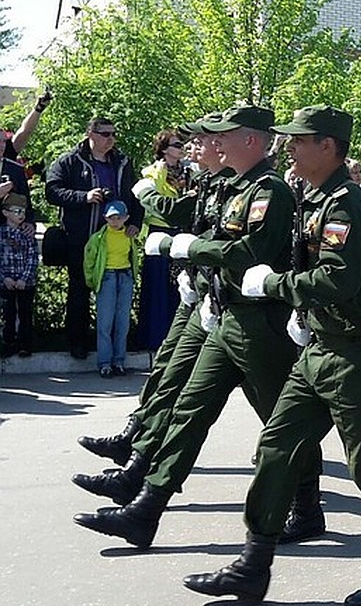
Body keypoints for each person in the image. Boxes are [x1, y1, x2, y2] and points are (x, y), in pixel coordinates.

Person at [183, 105, 361, 606]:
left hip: (356, 352)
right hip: (320, 348)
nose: (288, 146)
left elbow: (338, 280)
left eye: (300, 140)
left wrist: (275, 286)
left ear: (328, 147)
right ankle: (254, 564)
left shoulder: (347, 205)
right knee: (276, 446)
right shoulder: (313, 198)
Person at [74, 104, 315, 549]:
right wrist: (198, 274)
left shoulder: (270, 191)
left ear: (252, 140)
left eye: (225, 134)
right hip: (224, 316)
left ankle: (307, 503)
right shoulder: (233, 186)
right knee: (189, 411)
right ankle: (145, 507)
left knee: (282, 419)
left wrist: (190, 249)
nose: (214, 142)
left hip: (259, 323)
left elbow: (249, 251)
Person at [72, 115, 234, 508]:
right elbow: (188, 217)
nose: (192, 148)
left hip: (238, 312)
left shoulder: (250, 190)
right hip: (204, 297)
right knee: (169, 374)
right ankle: (135, 461)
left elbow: (227, 242)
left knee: (278, 412)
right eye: (189, 143)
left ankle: (303, 493)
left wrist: (187, 250)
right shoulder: (211, 184)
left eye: (200, 142)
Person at [45, 116, 143, 359]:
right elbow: (52, 191)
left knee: (117, 294)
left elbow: (137, 194)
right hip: (83, 238)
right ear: (91, 134)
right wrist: (84, 197)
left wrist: (135, 223)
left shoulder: (122, 162)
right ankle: (78, 342)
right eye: (105, 134)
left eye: (113, 134)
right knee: (79, 290)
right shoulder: (70, 161)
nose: (111, 139)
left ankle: (113, 347)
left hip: (116, 239)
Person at [137, 129, 188, 352]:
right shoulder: (152, 172)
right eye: (177, 145)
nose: (182, 148)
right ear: (165, 149)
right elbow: (151, 200)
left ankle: (179, 340)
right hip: (160, 232)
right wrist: (160, 172)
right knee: (157, 289)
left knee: (180, 288)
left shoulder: (189, 172)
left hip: (182, 233)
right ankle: (155, 340)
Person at [84, 200, 137, 377]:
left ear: (126, 218)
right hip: (107, 277)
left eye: (119, 217)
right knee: (105, 323)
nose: (115, 221)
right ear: (105, 218)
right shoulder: (99, 237)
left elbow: (134, 256)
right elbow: (89, 261)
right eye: (111, 217)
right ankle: (105, 363)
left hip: (125, 276)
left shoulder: (129, 235)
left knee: (123, 322)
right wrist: (92, 281)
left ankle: (119, 361)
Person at [0, 193, 37, 356]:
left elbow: (33, 258)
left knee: (25, 313)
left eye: (22, 212)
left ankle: (25, 344)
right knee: (8, 313)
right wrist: (4, 278)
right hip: (5, 281)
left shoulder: (28, 235)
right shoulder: (1, 234)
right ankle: (8, 342)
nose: (21, 215)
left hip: (25, 283)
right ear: (5, 212)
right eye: (16, 211)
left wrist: (24, 278)